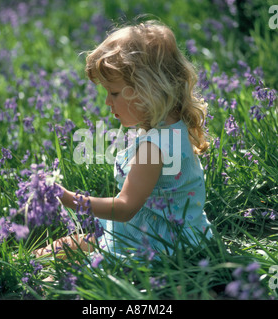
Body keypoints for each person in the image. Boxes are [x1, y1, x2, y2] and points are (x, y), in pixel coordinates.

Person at [34, 20, 213, 261]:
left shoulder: (154, 147)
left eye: (114, 93)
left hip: (156, 246)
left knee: (66, 258)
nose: (108, 101)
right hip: (183, 235)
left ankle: (12, 273)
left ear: (149, 88)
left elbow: (125, 208)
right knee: (68, 244)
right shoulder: (173, 127)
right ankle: (15, 266)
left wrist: (69, 199)